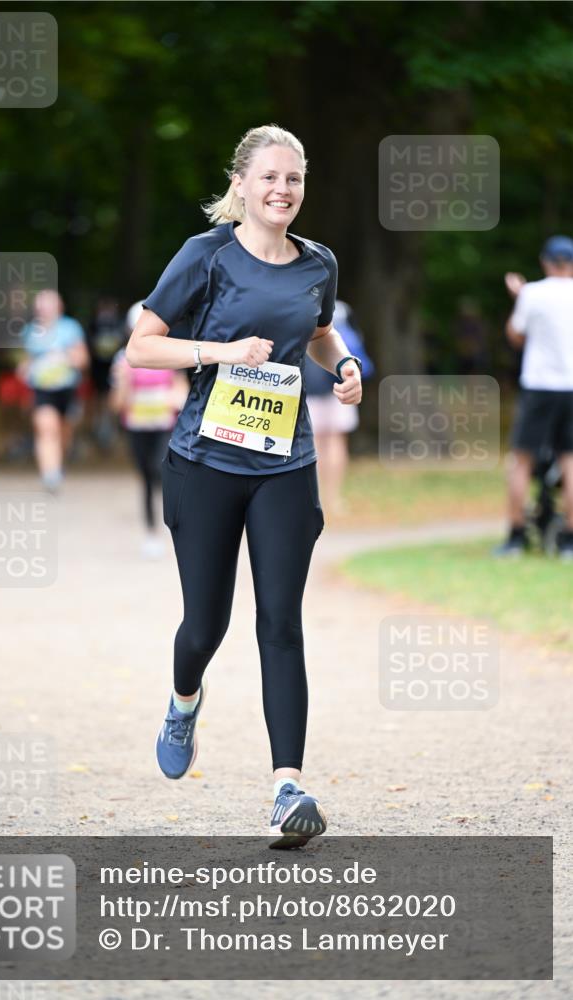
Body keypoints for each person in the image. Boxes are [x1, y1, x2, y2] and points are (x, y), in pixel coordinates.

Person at [126, 124, 363, 848]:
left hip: (285, 464)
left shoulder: (317, 263)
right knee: (206, 625)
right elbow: (141, 345)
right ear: (241, 184)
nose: (282, 190)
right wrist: (219, 351)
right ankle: (182, 701)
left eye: (293, 178)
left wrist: (343, 364)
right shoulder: (206, 255)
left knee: (280, 623)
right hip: (204, 464)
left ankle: (287, 787)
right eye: (269, 177)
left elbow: (317, 332)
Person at [495, 235, 573, 559]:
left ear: (545, 262)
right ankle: (569, 540)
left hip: (539, 385)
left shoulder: (532, 293)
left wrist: (519, 297)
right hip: (571, 386)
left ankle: (515, 536)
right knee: (570, 461)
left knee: (521, 460)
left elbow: (515, 334)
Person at [110, 302, 189, 558]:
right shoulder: (123, 359)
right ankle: (151, 533)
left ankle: (177, 521)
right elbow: (116, 404)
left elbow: (182, 389)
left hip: (165, 426)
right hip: (136, 427)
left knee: (159, 469)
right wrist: (124, 383)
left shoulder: (169, 353)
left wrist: (176, 399)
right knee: (145, 478)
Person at [304, 300, 374, 518]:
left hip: (308, 386)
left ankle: (314, 499)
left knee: (314, 444)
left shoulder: (299, 302)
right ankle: (333, 499)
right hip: (340, 383)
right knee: (336, 441)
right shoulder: (342, 309)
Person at [20, 289, 89, 493]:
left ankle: (58, 463)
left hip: (67, 388)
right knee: (46, 429)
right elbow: (25, 361)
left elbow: (83, 359)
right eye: (40, 305)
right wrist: (25, 369)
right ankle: (50, 475)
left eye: (48, 305)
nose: (43, 309)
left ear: (59, 307)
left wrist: (65, 358)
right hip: (42, 389)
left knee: (64, 433)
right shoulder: (29, 331)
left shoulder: (70, 328)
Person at [86, 297, 126, 452]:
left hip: (115, 367)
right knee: (99, 398)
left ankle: (111, 429)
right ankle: (99, 427)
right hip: (98, 369)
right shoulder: (93, 324)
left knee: (112, 398)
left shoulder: (119, 323)